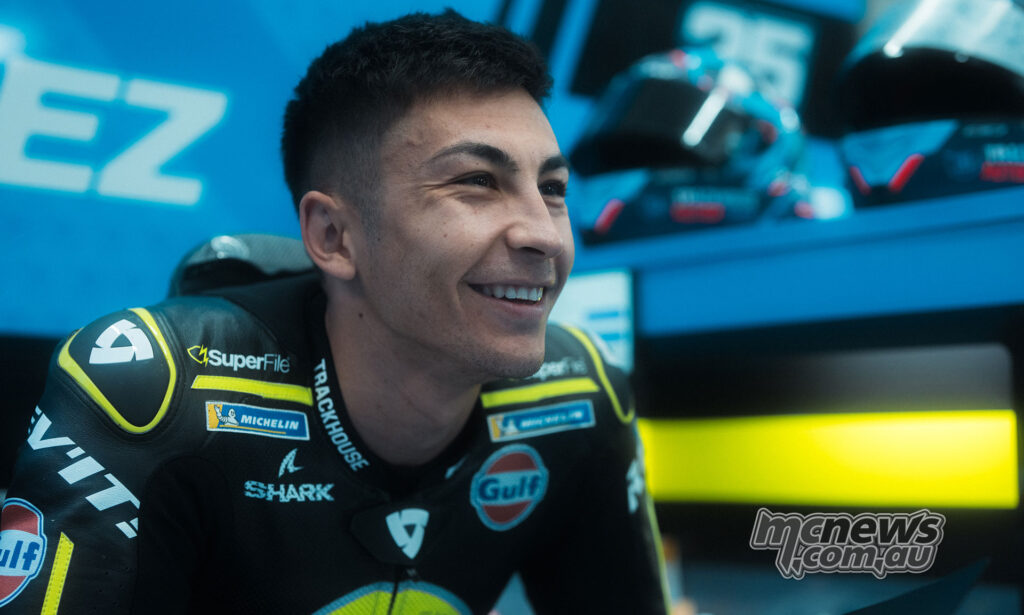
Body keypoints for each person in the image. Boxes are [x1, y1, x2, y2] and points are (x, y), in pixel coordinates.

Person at [0, 10, 669, 614]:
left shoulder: (582, 393)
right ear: (332, 237)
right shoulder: (153, 388)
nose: (545, 234)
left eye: (551, 189)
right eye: (477, 182)